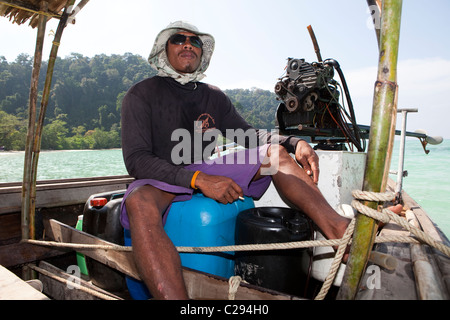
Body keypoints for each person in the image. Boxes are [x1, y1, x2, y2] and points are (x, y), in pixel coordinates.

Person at [120, 21, 398, 300]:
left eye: (196, 41)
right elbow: (137, 160)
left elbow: (249, 136)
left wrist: (295, 143)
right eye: (179, 39)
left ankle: (338, 228)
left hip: (203, 165)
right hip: (160, 177)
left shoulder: (213, 96)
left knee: (275, 156)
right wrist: (198, 180)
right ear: (163, 49)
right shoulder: (141, 94)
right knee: (139, 203)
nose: (188, 44)